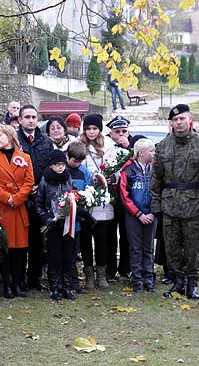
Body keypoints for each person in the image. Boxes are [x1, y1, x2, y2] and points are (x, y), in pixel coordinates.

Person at [151, 104, 199, 300]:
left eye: (182, 119)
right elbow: (156, 179)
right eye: (175, 120)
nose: (178, 122)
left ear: (189, 120)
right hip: (169, 205)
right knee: (172, 246)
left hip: (194, 204)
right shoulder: (162, 146)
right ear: (171, 123)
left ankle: (191, 283)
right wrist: (156, 205)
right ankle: (177, 281)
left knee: (193, 247)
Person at [0, 124, 34, 299]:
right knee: (5, 249)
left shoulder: (25, 157)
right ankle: (7, 284)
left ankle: (19, 282)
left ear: (10, 135)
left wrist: (18, 198)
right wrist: (8, 198)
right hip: (3, 208)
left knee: (20, 250)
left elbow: (29, 182)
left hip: (19, 208)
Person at [17, 104, 54, 291]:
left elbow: (49, 167)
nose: (31, 120)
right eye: (27, 117)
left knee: (38, 242)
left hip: (39, 198)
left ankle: (34, 277)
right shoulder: (14, 139)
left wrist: (39, 186)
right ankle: (18, 279)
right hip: (19, 198)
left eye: (34, 117)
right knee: (20, 241)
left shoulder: (46, 141)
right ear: (20, 120)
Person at [79, 114, 117, 289]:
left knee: (102, 239)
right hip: (85, 196)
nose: (91, 132)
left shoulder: (108, 145)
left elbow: (114, 167)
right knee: (85, 239)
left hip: (103, 197)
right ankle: (88, 275)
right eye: (88, 129)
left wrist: (108, 178)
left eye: (94, 128)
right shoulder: (79, 145)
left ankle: (102, 273)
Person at [36, 149, 76, 301]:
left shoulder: (68, 179)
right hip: (53, 224)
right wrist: (46, 218)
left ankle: (66, 286)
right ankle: (54, 287)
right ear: (51, 165)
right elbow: (39, 204)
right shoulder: (45, 181)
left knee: (68, 255)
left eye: (63, 165)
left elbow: (73, 197)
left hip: (68, 223)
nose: (60, 168)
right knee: (54, 256)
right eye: (57, 165)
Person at [120, 139, 157, 293]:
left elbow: (158, 192)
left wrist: (153, 212)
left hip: (151, 215)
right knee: (136, 249)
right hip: (134, 216)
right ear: (141, 153)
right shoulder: (128, 170)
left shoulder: (154, 169)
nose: (154, 153)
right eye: (151, 150)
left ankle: (149, 279)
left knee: (148, 248)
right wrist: (139, 214)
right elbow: (124, 195)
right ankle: (137, 281)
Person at [105, 115, 132, 280]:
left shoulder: (134, 145)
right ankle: (110, 267)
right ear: (111, 134)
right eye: (117, 131)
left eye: (124, 131)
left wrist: (129, 148)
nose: (121, 134)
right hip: (110, 196)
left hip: (127, 197)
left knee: (126, 234)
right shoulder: (107, 147)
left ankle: (125, 267)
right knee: (109, 234)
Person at [65, 141, 92, 293]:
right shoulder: (61, 169)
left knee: (74, 253)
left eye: (80, 161)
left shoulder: (84, 172)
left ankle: (74, 282)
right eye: (75, 161)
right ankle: (64, 280)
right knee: (65, 252)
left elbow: (88, 192)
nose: (77, 164)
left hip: (77, 221)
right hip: (63, 220)